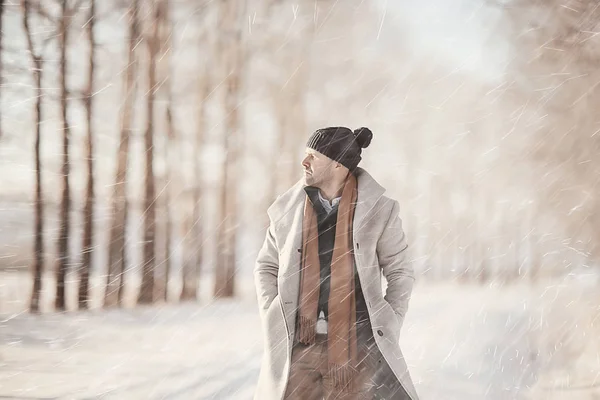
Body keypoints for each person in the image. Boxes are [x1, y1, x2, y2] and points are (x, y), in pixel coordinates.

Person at [253, 126, 419, 400]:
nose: (304, 162)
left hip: (357, 350)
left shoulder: (380, 210)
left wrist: (391, 319)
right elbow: (266, 266)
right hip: (298, 348)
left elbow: (400, 271)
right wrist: (271, 310)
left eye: (312, 156)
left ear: (338, 164)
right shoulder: (287, 209)